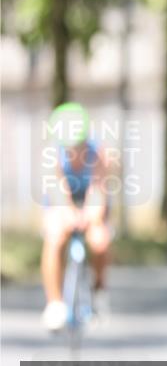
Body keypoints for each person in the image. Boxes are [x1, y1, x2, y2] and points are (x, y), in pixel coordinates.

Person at [40, 102, 113, 330]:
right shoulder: (51, 155)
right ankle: (54, 303)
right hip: (62, 203)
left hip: (90, 203)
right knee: (55, 237)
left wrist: (91, 215)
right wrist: (68, 213)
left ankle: (99, 290)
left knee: (100, 241)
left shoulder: (99, 153)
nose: (74, 151)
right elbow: (57, 190)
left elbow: (98, 191)